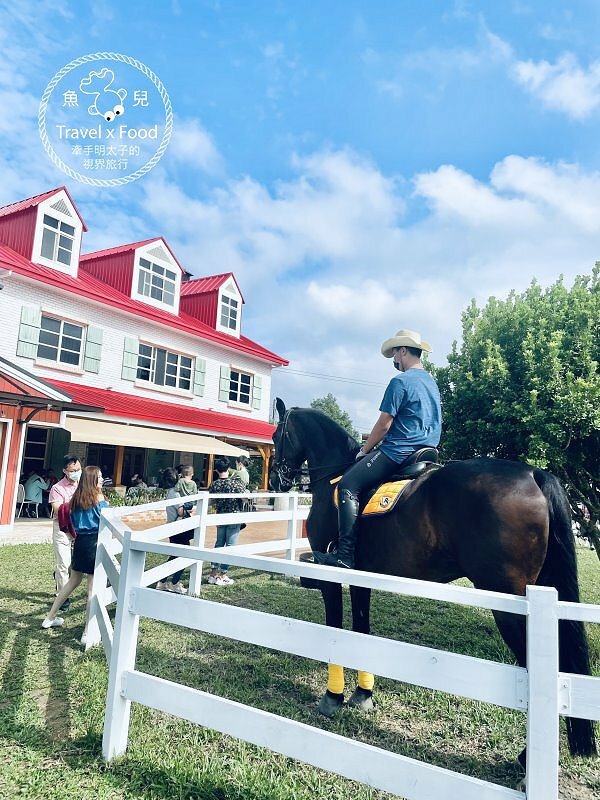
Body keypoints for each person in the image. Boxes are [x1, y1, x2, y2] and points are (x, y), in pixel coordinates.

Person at [313, 329, 442, 570]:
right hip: (428, 449)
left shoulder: (400, 381)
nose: (394, 360)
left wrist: (365, 449)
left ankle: (345, 554)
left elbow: (384, 424)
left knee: (348, 485)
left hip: (399, 450)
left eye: (395, 354)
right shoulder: (431, 383)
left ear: (403, 351)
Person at [41, 466, 109, 644]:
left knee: (72, 582)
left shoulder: (76, 499)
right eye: (99, 477)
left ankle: (49, 617)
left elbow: (67, 517)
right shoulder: (99, 498)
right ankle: (87, 632)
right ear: (92, 480)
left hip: (79, 544)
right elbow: (107, 521)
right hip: (95, 544)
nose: (102, 480)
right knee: (91, 589)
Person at [49, 455, 82, 609]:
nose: (76, 472)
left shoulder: (82, 485)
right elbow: (57, 509)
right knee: (64, 563)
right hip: (62, 528)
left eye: (78, 469)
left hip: (79, 528)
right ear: (65, 471)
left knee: (72, 565)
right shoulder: (57, 488)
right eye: (72, 470)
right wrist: (78, 504)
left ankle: (59, 578)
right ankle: (63, 597)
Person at [207, 456, 245, 586]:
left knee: (219, 544)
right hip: (234, 517)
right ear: (229, 468)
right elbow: (245, 499)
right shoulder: (236, 484)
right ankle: (222, 575)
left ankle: (212, 574)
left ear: (216, 470)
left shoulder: (214, 485)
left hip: (220, 516)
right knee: (230, 546)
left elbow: (211, 501)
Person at [155, 467, 193, 594]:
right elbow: (180, 511)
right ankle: (174, 583)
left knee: (174, 555)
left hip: (173, 528)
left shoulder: (170, 492)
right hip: (178, 528)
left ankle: (162, 581)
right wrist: (188, 506)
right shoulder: (174, 493)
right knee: (183, 555)